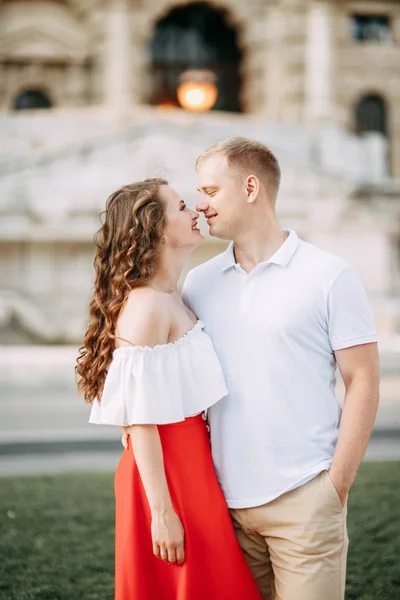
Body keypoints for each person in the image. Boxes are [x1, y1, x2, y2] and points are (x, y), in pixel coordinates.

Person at [181, 137, 380, 600]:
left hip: (304, 499)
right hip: (223, 506)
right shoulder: (199, 283)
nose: (200, 204)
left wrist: (335, 485)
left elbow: (364, 380)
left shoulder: (329, 274)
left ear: (251, 187)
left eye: (211, 191)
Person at [75, 179, 262, 600]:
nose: (195, 209)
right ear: (156, 228)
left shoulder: (173, 296)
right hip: (166, 475)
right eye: (181, 206)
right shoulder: (147, 307)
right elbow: (140, 420)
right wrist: (162, 512)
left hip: (191, 464)